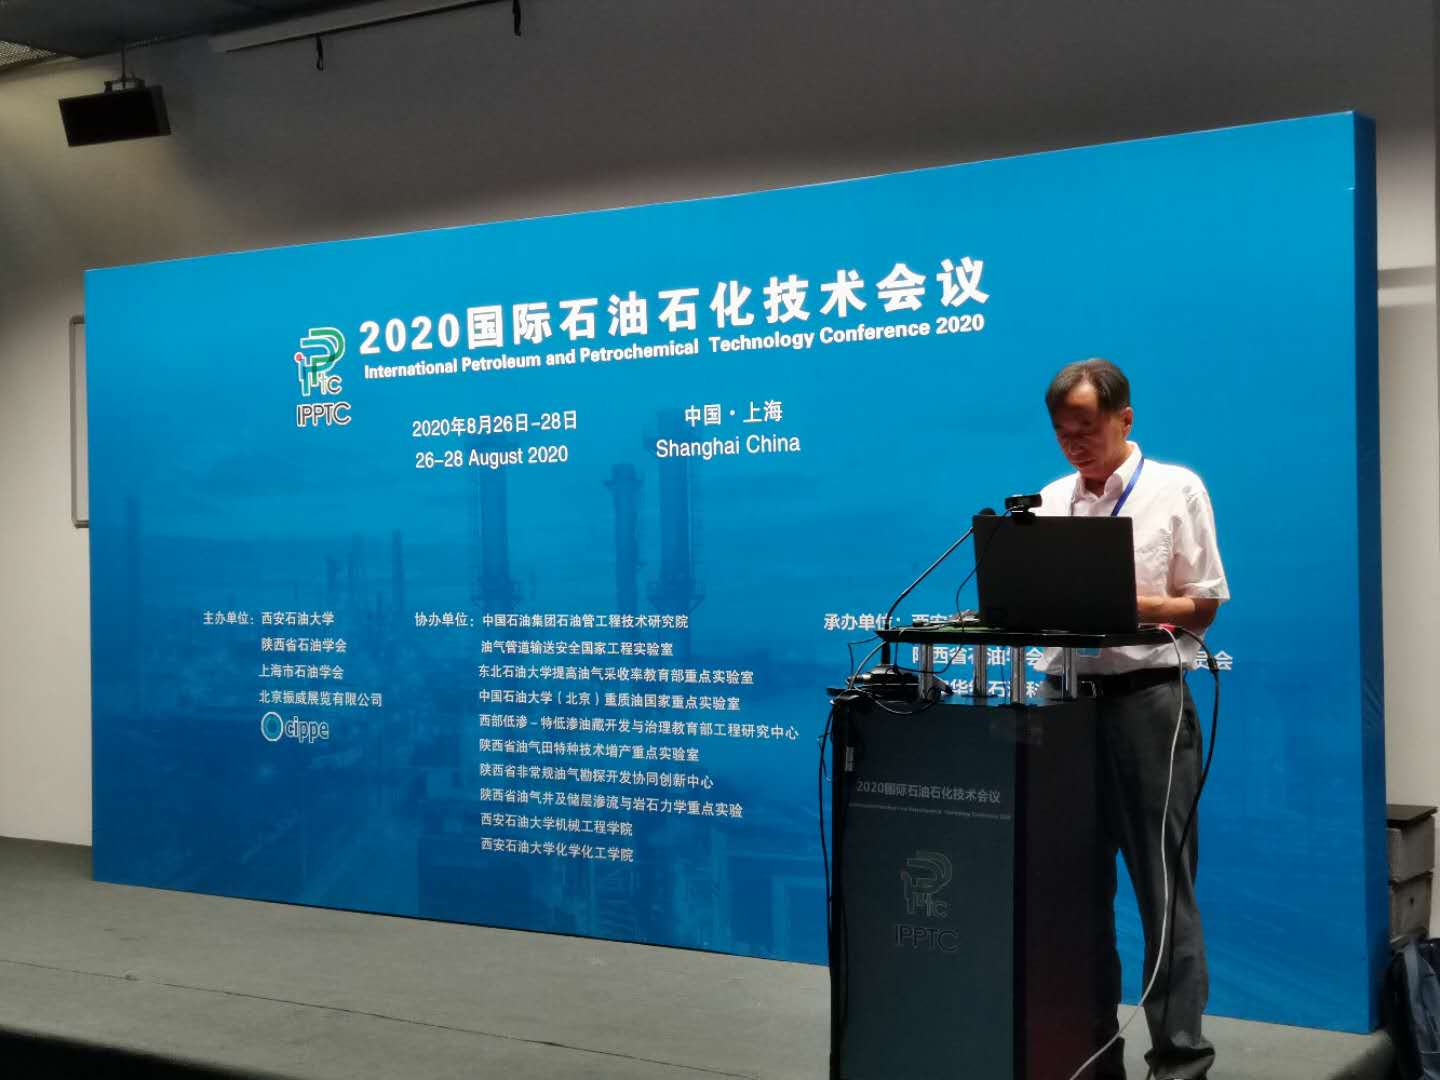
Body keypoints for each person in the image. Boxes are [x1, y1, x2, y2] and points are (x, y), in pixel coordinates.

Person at [1037, 358, 1228, 1080]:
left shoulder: (1176, 489)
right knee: (1072, 894)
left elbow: (1203, 605)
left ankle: (1179, 1061)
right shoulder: (1048, 502)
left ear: (1125, 419)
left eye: (1086, 428)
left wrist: (1123, 598)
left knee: (1163, 893)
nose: (1075, 444)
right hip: (1065, 709)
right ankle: (1089, 1056)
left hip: (1149, 704)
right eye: (1063, 432)